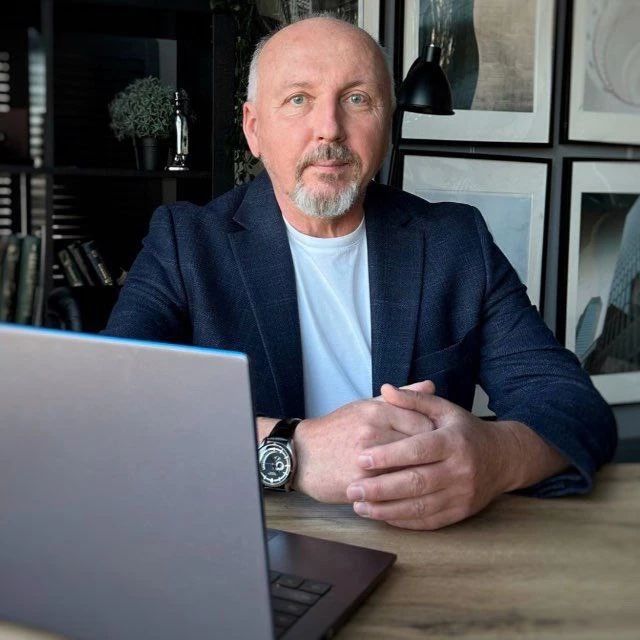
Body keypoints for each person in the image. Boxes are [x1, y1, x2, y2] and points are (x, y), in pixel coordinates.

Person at [104, 15, 617, 530]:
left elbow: (573, 405)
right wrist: (290, 449)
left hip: (427, 544)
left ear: (386, 125)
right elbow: (110, 409)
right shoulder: (186, 244)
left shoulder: (456, 243)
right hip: (244, 541)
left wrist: (495, 456)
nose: (329, 127)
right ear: (254, 128)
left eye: (356, 99)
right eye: (299, 99)